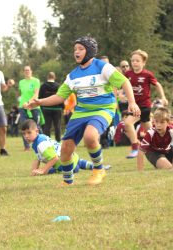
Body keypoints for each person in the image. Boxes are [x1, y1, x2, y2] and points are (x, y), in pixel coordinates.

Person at [25, 36, 140, 186]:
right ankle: (67, 181)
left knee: (90, 136)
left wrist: (132, 102)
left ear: (90, 50)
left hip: (103, 108)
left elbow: (124, 81)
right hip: (81, 111)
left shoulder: (103, 67)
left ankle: (98, 170)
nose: (76, 52)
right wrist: (40, 102)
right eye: (75, 50)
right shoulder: (72, 75)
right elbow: (60, 96)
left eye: (80, 49)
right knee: (66, 148)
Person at [124, 49, 168, 158]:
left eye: (137, 61)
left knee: (128, 123)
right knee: (151, 131)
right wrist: (120, 94)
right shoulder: (128, 74)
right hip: (134, 105)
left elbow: (157, 85)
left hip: (144, 106)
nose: (134, 63)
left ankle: (135, 147)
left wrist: (163, 97)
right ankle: (163, 146)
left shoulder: (147, 74)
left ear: (143, 62)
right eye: (133, 60)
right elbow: (122, 85)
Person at [21, 119, 100, 176]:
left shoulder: (41, 144)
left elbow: (55, 158)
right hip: (73, 158)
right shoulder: (39, 139)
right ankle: (97, 167)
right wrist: (34, 171)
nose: (26, 136)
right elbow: (37, 158)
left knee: (50, 170)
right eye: (24, 134)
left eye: (29, 133)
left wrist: (43, 170)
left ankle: (96, 167)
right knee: (79, 162)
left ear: (37, 131)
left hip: (67, 166)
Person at [18, 65, 41, 151]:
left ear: (31, 71)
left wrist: (28, 103)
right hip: (23, 107)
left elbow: (36, 94)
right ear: (24, 72)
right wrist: (23, 103)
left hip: (34, 106)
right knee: (24, 127)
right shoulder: (21, 82)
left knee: (37, 126)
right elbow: (23, 95)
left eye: (28, 70)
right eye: (25, 70)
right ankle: (27, 146)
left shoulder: (36, 81)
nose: (27, 72)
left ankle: (41, 144)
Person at [39, 72, 63, 141]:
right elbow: (62, 97)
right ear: (54, 77)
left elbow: (40, 97)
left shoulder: (43, 86)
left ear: (47, 77)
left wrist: (42, 107)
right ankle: (58, 141)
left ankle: (47, 141)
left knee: (47, 126)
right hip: (57, 109)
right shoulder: (58, 86)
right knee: (57, 126)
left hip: (46, 108)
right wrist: (62, 107)